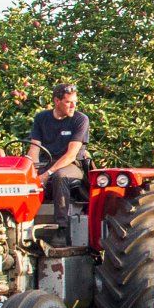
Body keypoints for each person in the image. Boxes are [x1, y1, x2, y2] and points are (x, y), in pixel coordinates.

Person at [26, 83, 90, 224]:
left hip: (72, 165)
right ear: (56, 101)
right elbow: (34, 148)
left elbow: (71, 155)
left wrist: (47, 174)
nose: (73, 106)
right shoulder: (41, 118)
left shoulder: (80, 120)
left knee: (59, 176)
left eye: (75, 102)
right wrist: (34, 170)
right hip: (46, 162)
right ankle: (25, 220)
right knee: (24, 177)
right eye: (68, 102)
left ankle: (61, 227)